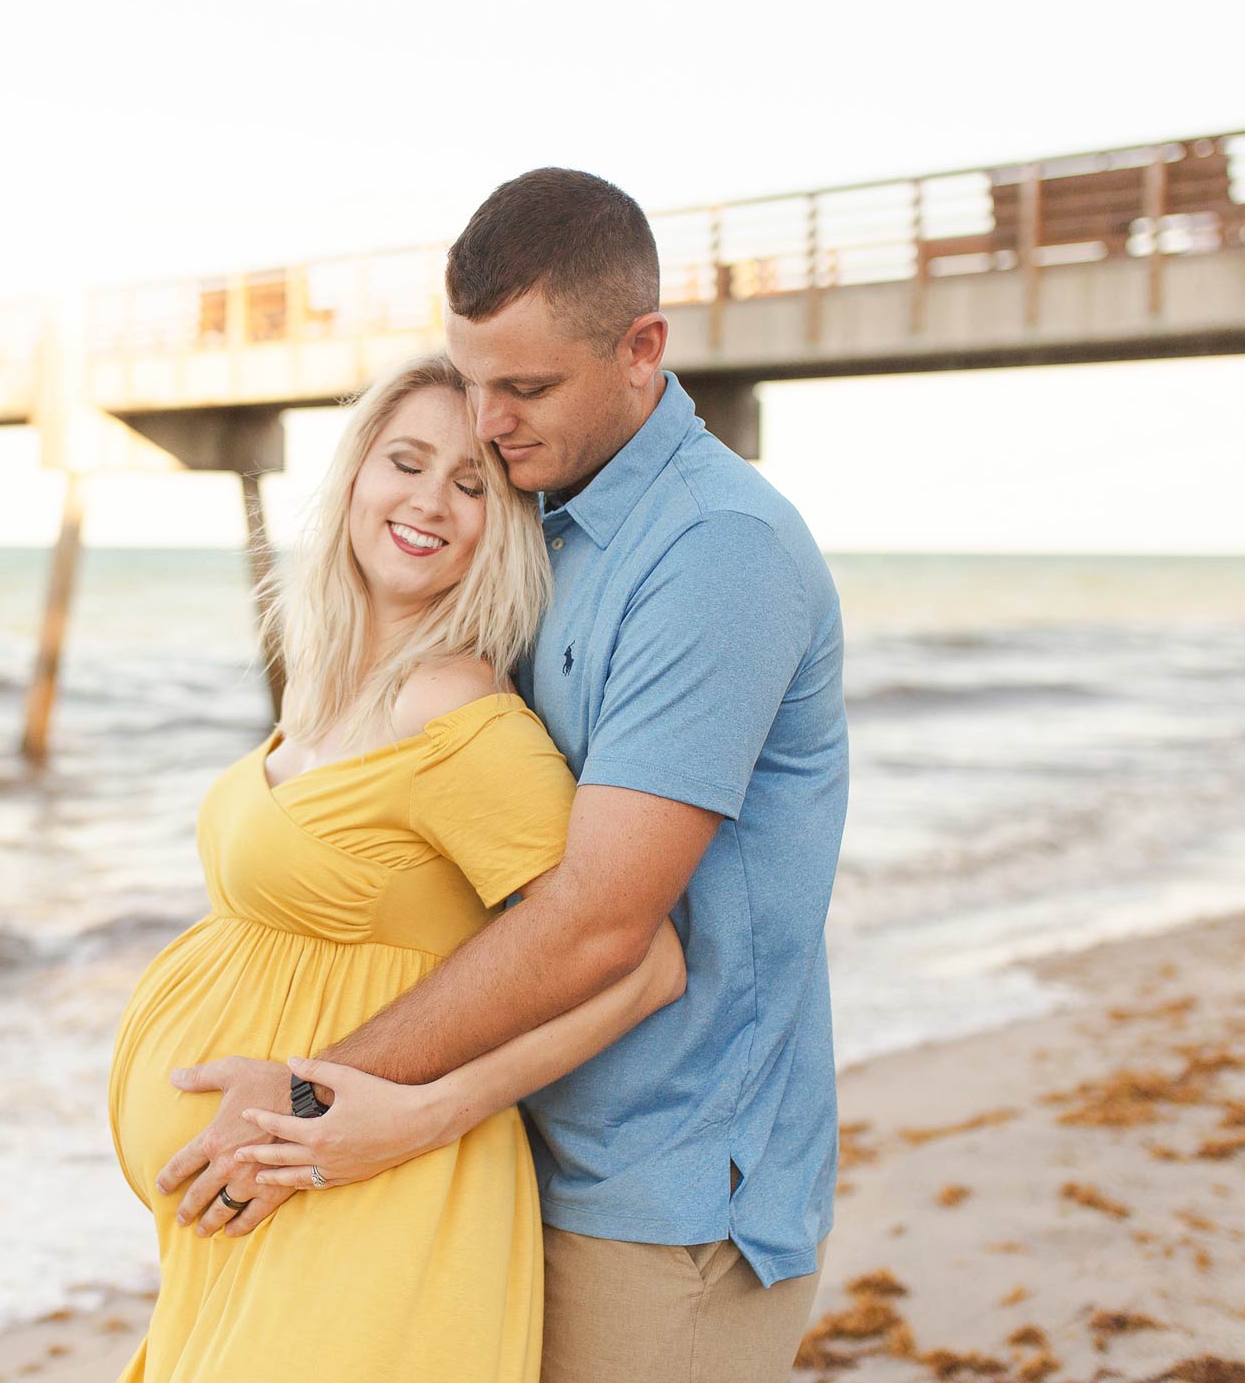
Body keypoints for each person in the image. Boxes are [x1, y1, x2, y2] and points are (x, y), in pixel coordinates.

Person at [172, 169, 851, 1383]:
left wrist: (315, 1099)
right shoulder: (542, 518)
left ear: (644, 350)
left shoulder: (713, 556)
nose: (486, 421)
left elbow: (600, 924)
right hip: (510, 1146)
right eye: (472, 377)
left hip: (662, 1190)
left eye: (525, 387)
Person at [107, 352, 689, 1382]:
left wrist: (417, 1113)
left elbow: (642, 962)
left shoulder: (453, 708)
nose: (431, 502)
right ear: (354, 478)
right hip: (269, 1207)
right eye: (406, 463)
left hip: (371, 1197)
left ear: (501, 524)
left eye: (471, 485)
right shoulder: (325, 693)